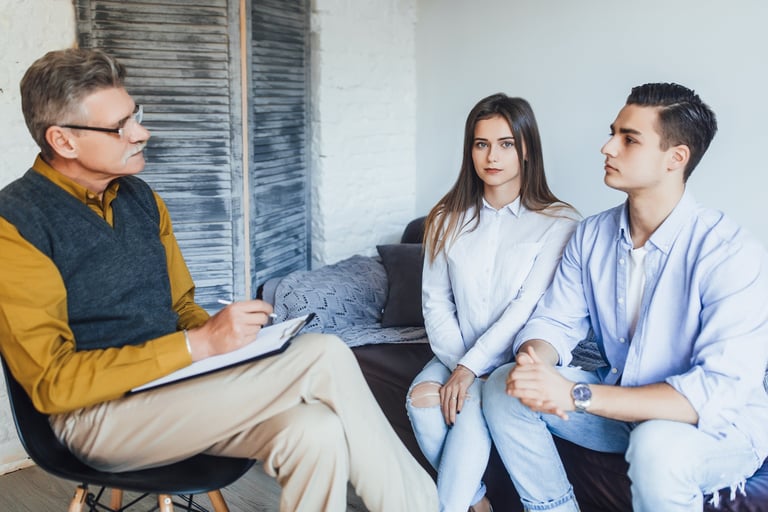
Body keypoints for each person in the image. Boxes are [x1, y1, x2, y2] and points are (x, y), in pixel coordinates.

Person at [0, 48, 438, 512]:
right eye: (120, 127)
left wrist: (233, 343)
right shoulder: (18, 223)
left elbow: (182, 306)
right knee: (324, 354)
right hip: (95, 420)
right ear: (63, 141)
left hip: (174, 391)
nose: (141, 133)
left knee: (316, 432)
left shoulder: (142, 200)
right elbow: (53, 384)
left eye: (136, 116)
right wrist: (199, 346)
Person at [482, 82, 768, 511]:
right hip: (623, 409)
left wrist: (576, 395)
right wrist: (534, 363)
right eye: (613, 132)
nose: (607, 147)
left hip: (715, 429)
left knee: (657, 444)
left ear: (676, 158)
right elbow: (555, 322)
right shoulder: (592, 234)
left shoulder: (730, 251)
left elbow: (715, 391)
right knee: (505, 386)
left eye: (628, 139)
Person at [405, 93, 580, 512]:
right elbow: (435, 302)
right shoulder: (445, 218)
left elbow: (526, 306)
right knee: (421, 403)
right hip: (454, 352)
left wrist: (475, 371)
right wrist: (459, 366)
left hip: (512, 360)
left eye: (505, 143)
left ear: (527, 148)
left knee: (466, 411)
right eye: (481, 143)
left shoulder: (559, 221)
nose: (492, 156)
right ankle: (478, 502)